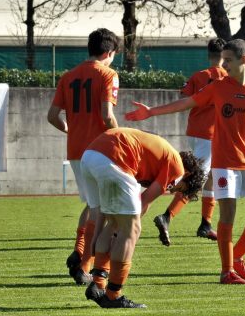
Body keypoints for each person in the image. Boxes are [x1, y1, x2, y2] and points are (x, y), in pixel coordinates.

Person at [126, 39, 245, 284]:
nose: (224, 64)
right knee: (228, 215)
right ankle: (226, 271)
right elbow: (186, 103)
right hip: (224, 162)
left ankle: (237, 257)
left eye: (228, 60)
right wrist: (151, 112)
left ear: (244, 60)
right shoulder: (218, 87)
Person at [81, 127, 205, 308]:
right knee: (132, 229)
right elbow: (143, 202)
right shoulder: (177, 168)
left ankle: (98, 284)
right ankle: (113, 295)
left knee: (115, 223)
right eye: (180, 188)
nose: (173, 190)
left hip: (90, 156)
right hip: (113, 157)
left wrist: (98, 235)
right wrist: (124, 233)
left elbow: (104, 212)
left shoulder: (159, 157)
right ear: (187, 175)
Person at [47, 28, 120, 284]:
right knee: (106, 210)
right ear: (109, 53)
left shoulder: (68, 76)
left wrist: (71, 130)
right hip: (101, 151)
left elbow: (53, 116)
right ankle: (86, 265)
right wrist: (122, 139)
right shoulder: (109, 74)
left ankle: (80, 252)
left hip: (77, 151)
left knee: (92, 204)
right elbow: (107, 115)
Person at [153, 38, 228, 246]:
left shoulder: (198, 76)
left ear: (209, 55)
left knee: (210, 177)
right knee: (198, 180)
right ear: (225, 56)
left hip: (194, 131)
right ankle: (167, 216)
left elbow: (185, 98)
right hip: (211, 135)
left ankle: (205, 224)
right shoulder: (228, 78)